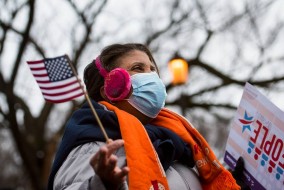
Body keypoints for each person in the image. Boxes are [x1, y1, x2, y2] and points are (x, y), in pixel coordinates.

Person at [47, 43, 241, 190]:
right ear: (109, 89)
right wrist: (101, 184)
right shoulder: (95, 146)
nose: (152, 77)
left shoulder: (178, 141)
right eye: (138, 68)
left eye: (153, 70)